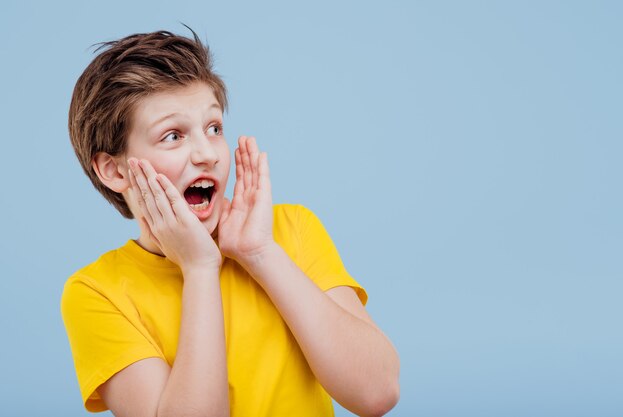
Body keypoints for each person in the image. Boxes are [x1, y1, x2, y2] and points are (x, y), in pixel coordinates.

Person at [61, 28, 400, 417]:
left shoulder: (291, 230)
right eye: (173, 136)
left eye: (214, 128)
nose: (207, 153)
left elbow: (377, 393)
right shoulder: (96, 292)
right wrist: (199, 269)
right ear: (113, 170)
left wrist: (260, 253)